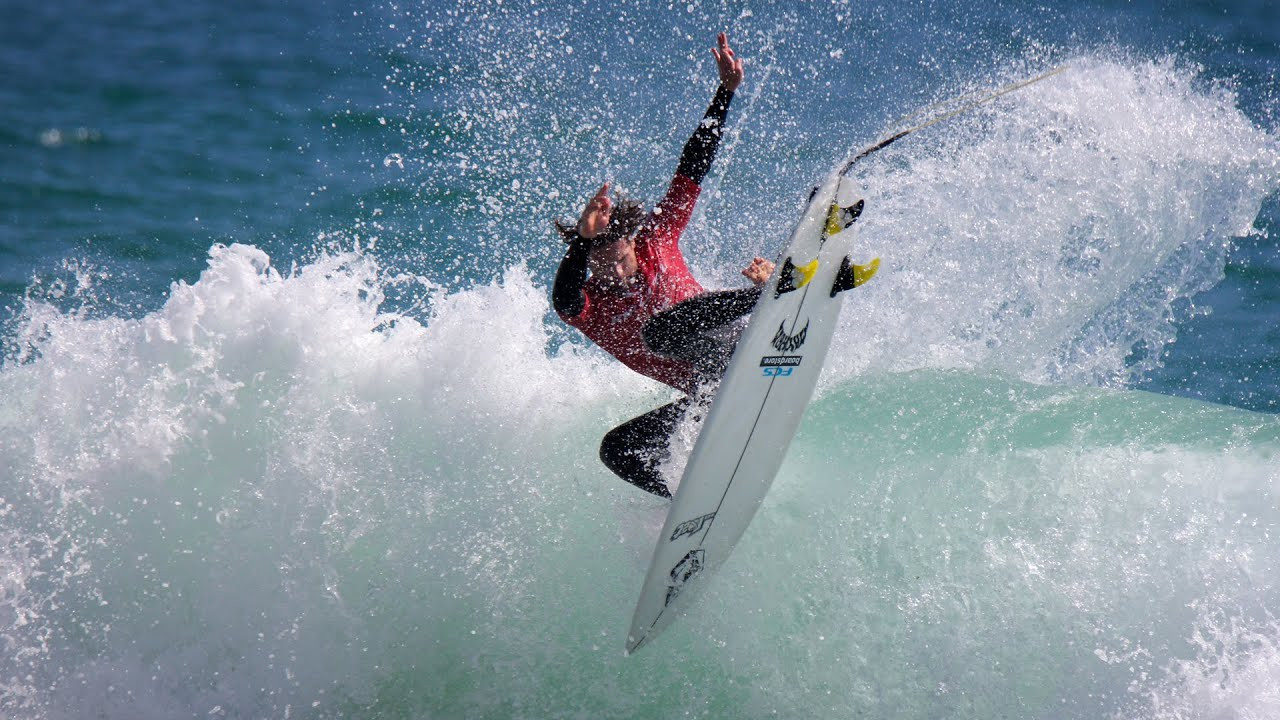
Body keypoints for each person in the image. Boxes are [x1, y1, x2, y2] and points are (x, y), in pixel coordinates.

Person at [552, 32, 774, 498]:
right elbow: (564, 297)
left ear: (633, 242)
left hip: (738, 349)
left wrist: (724, 94)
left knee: (659, 333)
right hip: (709, 395)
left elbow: (692, 167)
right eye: (599, 265)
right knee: (617, 450)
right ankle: (686, 499)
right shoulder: (589, 305)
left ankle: (773, 295)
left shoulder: (656, 240)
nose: (610, 273)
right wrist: (583, 243)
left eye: (616, 260)